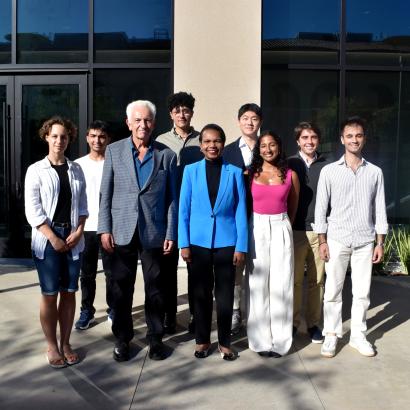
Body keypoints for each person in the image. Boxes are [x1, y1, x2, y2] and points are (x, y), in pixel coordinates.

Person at [98, 100, 177, 362]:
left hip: (154, 232)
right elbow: (105, 194)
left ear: (154, 124)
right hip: (121, 231)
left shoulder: (166, 155)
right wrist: (104, 228)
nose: (143, 125)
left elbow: (171, 199)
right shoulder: (113, 151)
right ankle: (123, 339)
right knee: (121, 288)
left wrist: (170, 233)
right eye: (138, 120)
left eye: (148, 120)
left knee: (156, 289)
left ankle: (155, 339)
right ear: (128, 123)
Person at [314, 116, 388, 358]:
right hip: (336, 238)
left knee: (362, 292)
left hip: (365, 241)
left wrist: (380, 242)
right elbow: (321, 208)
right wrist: (322, 240)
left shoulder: (375, 172)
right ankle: (331, 335)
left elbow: (379, 208)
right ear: (342, 139)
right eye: (349, 136)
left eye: (358, 135)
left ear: (363, 138)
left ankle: (358, 335)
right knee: (333, 291)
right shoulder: (329, 171)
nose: (354, 139)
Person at [179, 123, 248, 360]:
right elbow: (183, 210)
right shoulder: (190, 171)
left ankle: (225, 342)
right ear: (200, 146)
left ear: (223, 143)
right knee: (200, 293)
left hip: (227, 242)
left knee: (226, 294)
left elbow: (241, 210)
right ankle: (202, 340)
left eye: (217, 141)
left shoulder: (235, 172)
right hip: (197, 242)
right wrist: (183, 243)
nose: (212, 145)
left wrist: (241, 245)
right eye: (207, 141)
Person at [24, 116, 88, 368]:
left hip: (73, 238)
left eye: (64, 136)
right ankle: (51, 345)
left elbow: (83, 206)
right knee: (50, 294)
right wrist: (53, 238)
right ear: (46, 137)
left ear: (69, 138)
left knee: (69, 292)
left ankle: (66, 342)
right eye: (55, 136)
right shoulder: (35, 170)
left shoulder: (76, 169)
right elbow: (33, 211)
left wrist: (79, 231)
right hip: (47, 239)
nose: (59, 140)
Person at [247, 131, 299, 357]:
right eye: (263, 145)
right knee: (258, 285)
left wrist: (283, 226)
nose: (267, 149)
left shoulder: (290, 174)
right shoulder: (250, 174)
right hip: (256, 227)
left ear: (279, 146)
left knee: (281, 285)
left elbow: (293, 206)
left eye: (272, 145)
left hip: (280, 226)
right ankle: (260, 340)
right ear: (258, 149)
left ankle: (281, 341)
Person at [155, 91, 202, 334]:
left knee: (195, 266)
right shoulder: (161, 141)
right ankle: (169, 315)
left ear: (192, 112)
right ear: (171, 114)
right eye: (177, 111)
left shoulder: (202, 140)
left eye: (186, 110)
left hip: (196, 212)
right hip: (169, 210)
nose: (182, 114)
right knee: (167, 267)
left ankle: (195, 314)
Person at [288, 122, 329, 343]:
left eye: (313, 137)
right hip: (295, 231)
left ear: (318, 140)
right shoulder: (289, 164)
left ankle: (313, 324)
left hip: (319, 232)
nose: (309, 141)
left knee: (317, 281)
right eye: (305, 138)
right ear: (298, 141)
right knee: (294, 281)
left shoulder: (328, 166)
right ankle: (293, 323)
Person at [223, 103, 262, 334]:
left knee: (258, 268)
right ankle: (236, 310)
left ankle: (256, 312)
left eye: (254, 118)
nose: (249, 122)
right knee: (236, 268)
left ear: (260, 122)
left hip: (261, 215)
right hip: (235, 217)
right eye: (245, 118)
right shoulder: (227, 151)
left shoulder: (268, 148)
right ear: (238, 121)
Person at [74, 121, 113, 330]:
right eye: (93, 136)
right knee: (87, 273)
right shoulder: (77, 165)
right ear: (87, 138)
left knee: (111, 272)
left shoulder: (113, 162)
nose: (97, 140)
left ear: (108, 139)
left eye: (101, 136)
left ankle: (113, 308)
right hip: (86, 226)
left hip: (108, 226)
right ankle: (86, 311)